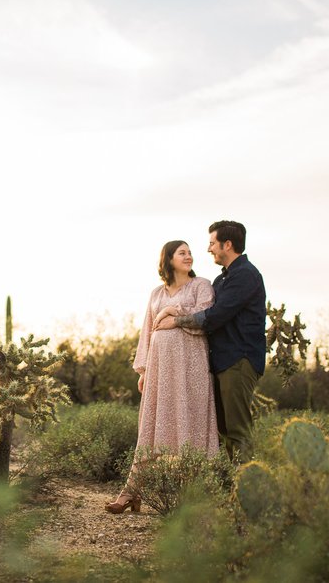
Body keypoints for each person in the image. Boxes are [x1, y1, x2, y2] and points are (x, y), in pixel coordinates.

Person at [105, 240, 218, 514]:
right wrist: (143, 369)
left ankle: (193, 496)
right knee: (149, 430)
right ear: (168, 259)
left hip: (189, 368)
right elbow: (147, 330)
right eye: (183, 253)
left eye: (190, 253)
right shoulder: (156, 292)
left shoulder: (201, 285)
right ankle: (132, 491)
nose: (189, 256)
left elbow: (206, 315)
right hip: (159, 369)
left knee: (188, 428)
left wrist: (172, 311)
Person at [155, 220, 266, 462]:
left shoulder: (246, 275)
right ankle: (230, 485)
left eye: (212, 243)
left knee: (238, 429)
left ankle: (248, 487)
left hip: (239, 360)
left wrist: (177, 320)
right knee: (222, 430)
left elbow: (215, 317)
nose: (208, 249)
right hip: (221, 362)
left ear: (227, 244)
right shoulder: (221, 280)